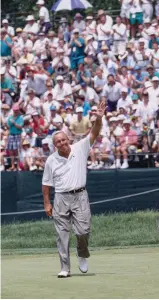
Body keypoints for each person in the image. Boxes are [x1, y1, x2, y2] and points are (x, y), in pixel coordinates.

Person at [42, 101, 106, 278]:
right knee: (62, 234)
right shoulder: (51, 160)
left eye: (63, 139)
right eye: (58, 141)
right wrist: (47, 203)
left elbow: (94, 132)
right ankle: (65, 268)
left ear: (68, 139)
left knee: (83, 231)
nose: (62, 142)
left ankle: (82, 253)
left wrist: (99, 118)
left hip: (80, 195)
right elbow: (46, 183)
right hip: (61, 198)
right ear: (55, 145)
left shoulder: (81, 147)